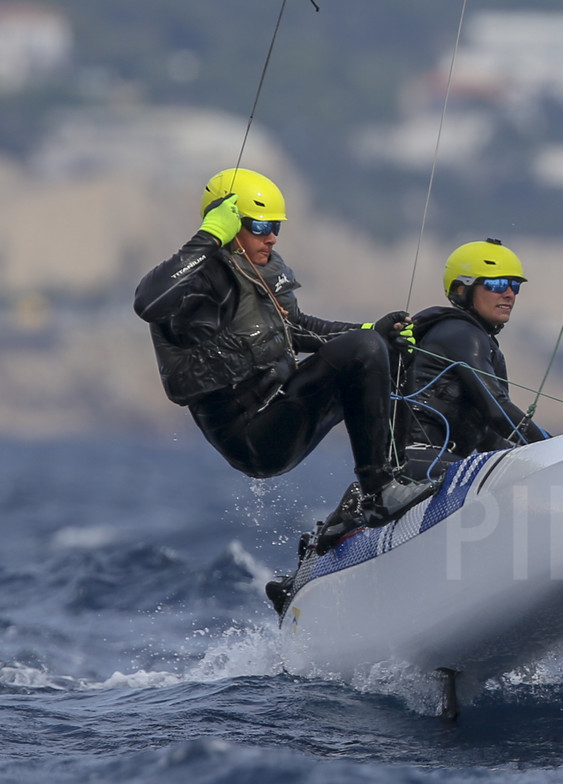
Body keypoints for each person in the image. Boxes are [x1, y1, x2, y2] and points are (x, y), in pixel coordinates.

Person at [134, 167, 432, 532]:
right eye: (261, 226)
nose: (272, 237)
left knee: (387, 349)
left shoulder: (261, 272)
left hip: (283, 403)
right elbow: (147, 302)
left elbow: (297, 329)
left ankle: (393, 482)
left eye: (276, 226)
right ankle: (380, 494)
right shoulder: (201, 281)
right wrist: (209, 236)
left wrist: (372, 331)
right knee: (365, 348)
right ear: (228, 223)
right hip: (251, 434)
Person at [398, 239, 548, 472]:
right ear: (462, 290)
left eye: (514, 286)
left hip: (433, 463)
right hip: (420, 462)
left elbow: (488, 436)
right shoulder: (461, 333)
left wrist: (537, 457)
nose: (509, 294)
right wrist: (551, 448)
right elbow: (498, 410)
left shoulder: (472, 338)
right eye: (497, 284)